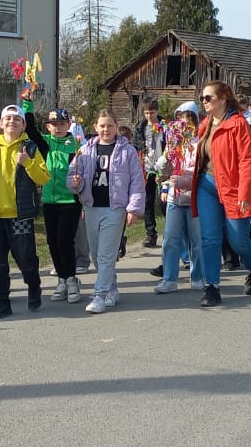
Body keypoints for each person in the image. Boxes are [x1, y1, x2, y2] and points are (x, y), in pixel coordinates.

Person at [192, 81, 251, 307]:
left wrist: (244, 193)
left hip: (233, 188)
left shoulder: (238, 124)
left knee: (237, 239)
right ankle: (212, 287)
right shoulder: (205, 124)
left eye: (208, 97)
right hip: (206, 185)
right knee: (210, 238)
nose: (204, 101)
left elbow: (245, 160)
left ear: (223, 98)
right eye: (202, 98)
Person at [67, 111, 146, 314]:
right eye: (102, 126)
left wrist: (133, 208)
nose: (106, 129)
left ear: (116, 126)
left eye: (110, 125)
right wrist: (76, 183)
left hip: (115, 209)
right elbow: (73, 176)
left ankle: (99, 296)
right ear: (95, 127)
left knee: (106, 255)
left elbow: (137, 181)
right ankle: (111, 289)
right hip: (91, 208)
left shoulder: (127, 151)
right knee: (96, 254)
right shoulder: (85, 150)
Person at [0, 104, 50, 319]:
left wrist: (28, 163)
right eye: (7, 119)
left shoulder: (30, 148)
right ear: (1, 123)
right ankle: (3, 302)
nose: (12, 122)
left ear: (23, 125)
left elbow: (44, 178)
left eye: (16, 119)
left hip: (20, 216)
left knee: (26, 260)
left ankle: (34, 286)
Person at [153, 103, 203, 292]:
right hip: (175, 198)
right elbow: (163, 169)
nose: (184, 124)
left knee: (196, 241)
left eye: (188, 120)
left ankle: (197, 276)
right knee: (170, 240)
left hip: (195, 198)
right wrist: (164, 163)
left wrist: (184, 179)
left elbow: (200, 170)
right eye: (180, 120)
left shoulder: (200, 143)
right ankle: (169, 279)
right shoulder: (174, 143)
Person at [39, 108, 85, 304]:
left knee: (64, 240)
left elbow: (83, 171)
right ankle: (62, 280)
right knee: (52, 242)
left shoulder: (76, 145)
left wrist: (79, 183)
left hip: (70, 201)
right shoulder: (45, 143)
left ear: (68, 125)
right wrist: (27, 103)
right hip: (49, 201)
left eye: (61, 124)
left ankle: (72, 279)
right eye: (54, 124)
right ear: (48, 126)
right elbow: (30, 130)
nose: (58, 128)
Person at [138, 99, 166, 249]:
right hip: (147, 168)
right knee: (148, 201)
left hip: (163, 168)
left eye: (152, 113)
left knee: (164, 201)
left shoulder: (165, 126)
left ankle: (169, 231)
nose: (149, 116)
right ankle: (150, 234)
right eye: (146, 113)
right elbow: (137, 146)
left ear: (157, 111)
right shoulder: (140, 128)